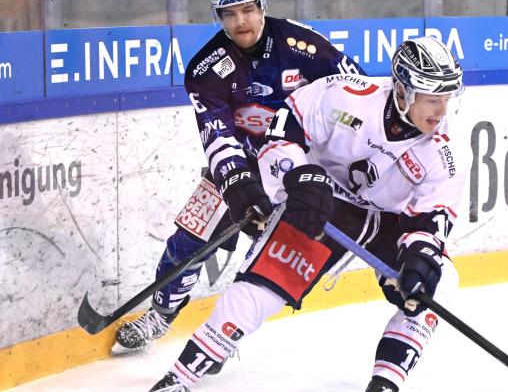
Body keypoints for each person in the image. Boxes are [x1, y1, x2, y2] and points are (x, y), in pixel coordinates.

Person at [149, 36, 468, 392]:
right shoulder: (346, 94)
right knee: (261, 288)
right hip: (322, 204)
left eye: (446, 99)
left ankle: (385, 384)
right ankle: (179, 377)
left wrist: (418, 260)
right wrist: (300, 174)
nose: (441, 111)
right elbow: (283, 129)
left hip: (389, 221)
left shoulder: (446, 153)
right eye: (432, 99)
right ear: (403, 91)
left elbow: (430, 219)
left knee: (439, 281)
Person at [113, 0, 365, 355]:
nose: (240, 21)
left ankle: (227, 329)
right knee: (189, 239)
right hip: (245, 166)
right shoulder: (205, 68)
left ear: (262, 5)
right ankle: (159, 317)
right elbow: (216, 135)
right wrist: (236, 182)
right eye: (229, 13)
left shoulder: (306, 46)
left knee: (263, 261)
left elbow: (358, 95)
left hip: (303, 169)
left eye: (247, 9)